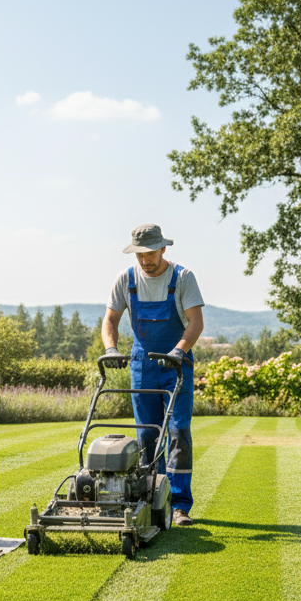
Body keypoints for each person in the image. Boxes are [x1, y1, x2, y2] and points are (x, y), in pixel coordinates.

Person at [102, 223, 205, 526]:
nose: (145, 260)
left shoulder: (183, 278)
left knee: (177, 433)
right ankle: (152, 498)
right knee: (147, 433)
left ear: (163, 249)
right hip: (142, 364)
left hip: (176, 365)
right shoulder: (126, 279)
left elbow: (195, 322)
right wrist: (111, 349)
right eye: (140, 255)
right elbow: (110, 319)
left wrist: (180, 350)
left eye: (150, 253)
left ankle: (180, 505)